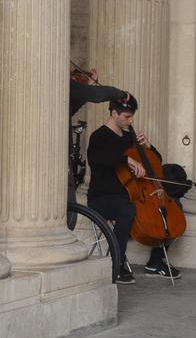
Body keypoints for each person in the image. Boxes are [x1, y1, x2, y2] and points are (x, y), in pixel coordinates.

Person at [87, 96, 181, 284]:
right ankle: (117, 261)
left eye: (132, 117)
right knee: (127, 210)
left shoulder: (130, 137)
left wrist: (149, 147)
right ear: (114, 113)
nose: (131, 122)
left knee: (171, 207)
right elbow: (97, 159)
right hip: (103, 197)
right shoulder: (99, 136)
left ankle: (155, 261)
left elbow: (156, 161)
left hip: (133, 194)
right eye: (127, 117)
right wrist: (126, 160)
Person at [68, 65, 129, 204]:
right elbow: (98, 95)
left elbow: (69, 109)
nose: (73, 71)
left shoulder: (67, 87)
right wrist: (123, 94)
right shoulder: (62, 81)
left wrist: (87, 88)